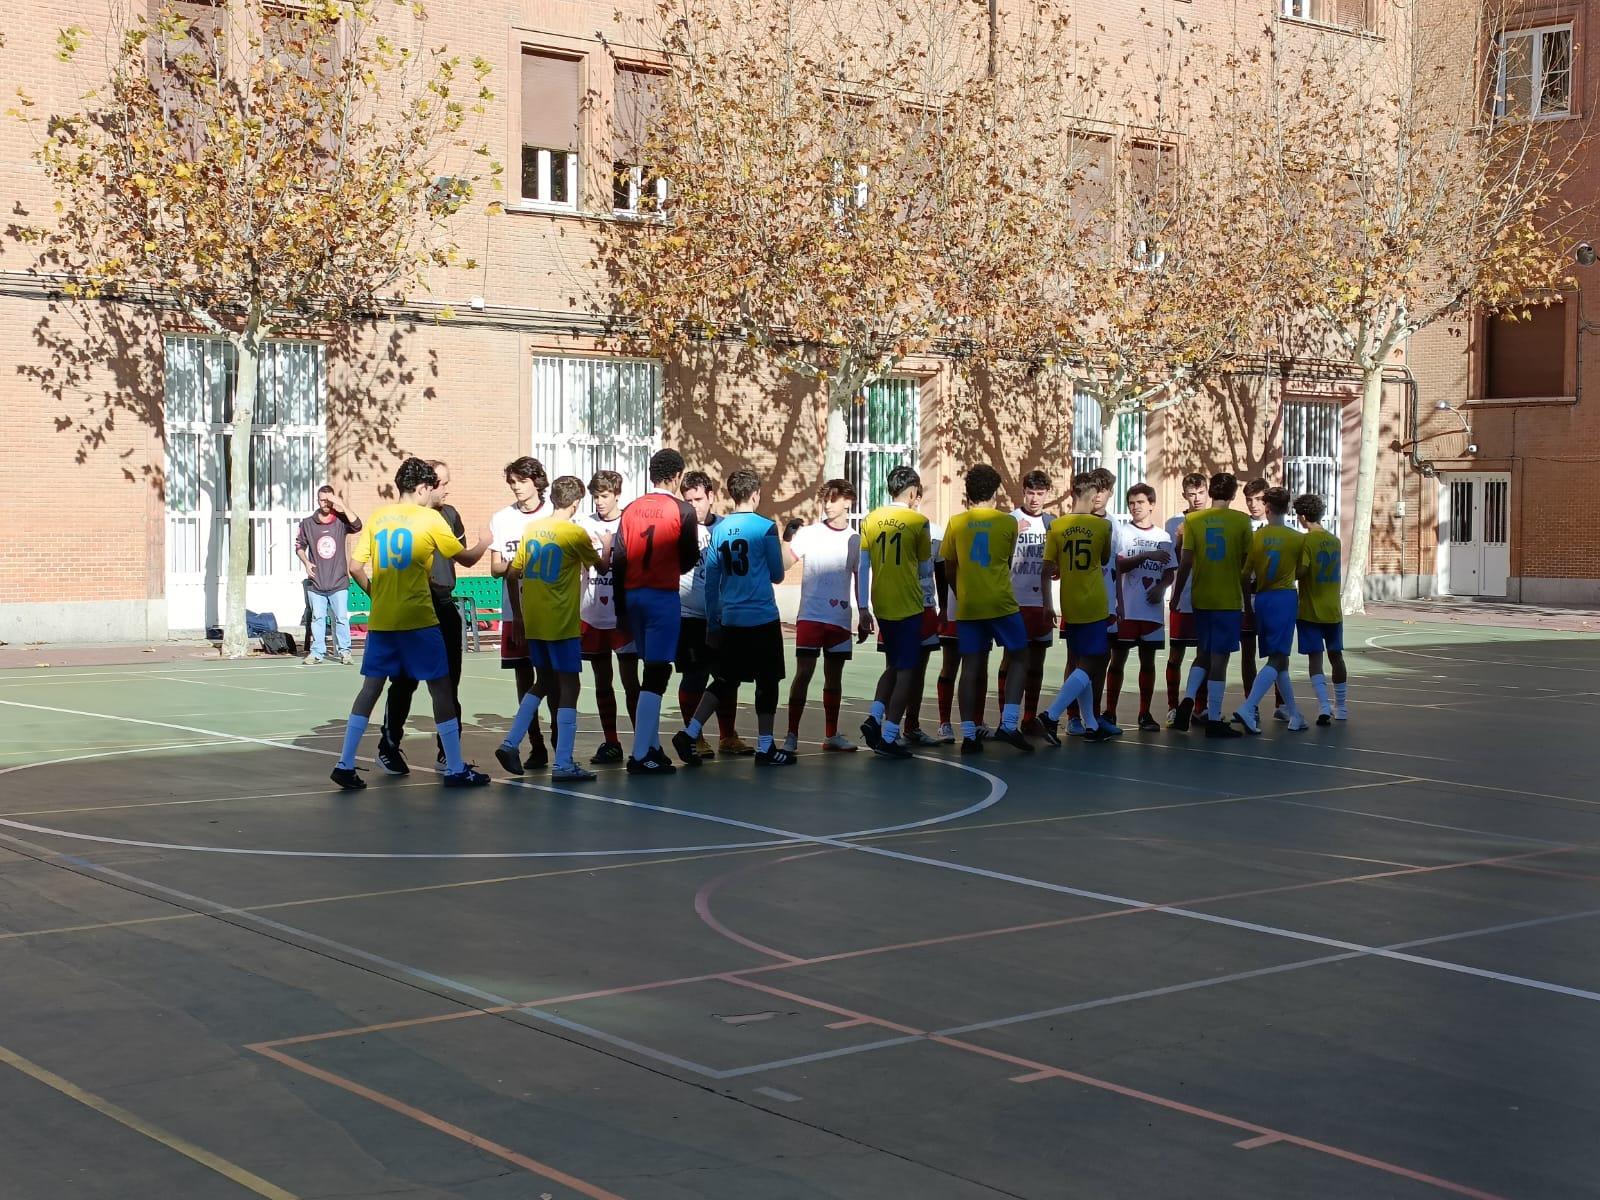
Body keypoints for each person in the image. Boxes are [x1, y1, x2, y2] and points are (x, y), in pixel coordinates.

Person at [331, 458, 490, 790]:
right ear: (421, 488)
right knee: (442, 688)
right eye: (430, 488)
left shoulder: (377, 518)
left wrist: (379, 595)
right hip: (419, 619)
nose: (432, 493)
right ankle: (455, 766)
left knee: (370, 690)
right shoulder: (429, 519)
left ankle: (345, 763)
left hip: (384, 620)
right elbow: (466, 558)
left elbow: (355, 567)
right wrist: (485, 541)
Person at [671, 468, 793, 766]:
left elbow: (712, 581)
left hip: (732, 618)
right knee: (768, 680)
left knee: (725, 678)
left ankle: (690, 732)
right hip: (761, 616)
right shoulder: (765, 527)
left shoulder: (720, 531)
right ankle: (766, 746)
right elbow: (777, 574)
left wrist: (714, 622)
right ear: (755, 494)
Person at [377, 460, 486, 774]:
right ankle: (389, 745)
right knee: (403, 682)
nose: (447, 489)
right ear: (426, 486)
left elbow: (460, 558)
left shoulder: (449, 515)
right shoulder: (402, 519)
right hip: (414, 609)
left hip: (442, 606)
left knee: (448, 684)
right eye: (443, 483)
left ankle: (448, 751)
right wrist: (486, 543)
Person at [494, 476, 606, 782]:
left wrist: (518, 614)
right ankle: (564, 762)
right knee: (570, 686)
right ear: (575, 502)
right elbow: (603, 567)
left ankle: (511, 742)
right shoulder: (574, 533)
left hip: (535, 619)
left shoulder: (531, 530)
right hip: (561, 621)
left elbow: (513, 572)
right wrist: (607, 545)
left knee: (542, 681)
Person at [615, 449, 702, 775]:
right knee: (657, 673)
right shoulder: (681, 510)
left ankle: (650, 745)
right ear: (678, 476)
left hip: (633, 594)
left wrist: (621, 607)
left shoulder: (631, 509)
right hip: (661, 596)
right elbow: (690, 557)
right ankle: (640, 754)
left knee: (647, 670)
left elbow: (619, 559)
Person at [944, 464, 1032, 754]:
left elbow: (949, 567)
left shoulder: (956, 523)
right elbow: (1005, 562)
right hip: (1001, 602)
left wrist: (961, 593)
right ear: (995, 492)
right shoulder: (1007, 522)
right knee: (1020, 656)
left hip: (969, 604)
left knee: (970, 666)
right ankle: (1008, 723)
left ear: (968, 493)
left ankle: (969, 733)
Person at [857, 465, 934, 759]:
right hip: (909, 602)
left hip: (882, 601)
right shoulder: (919, 522)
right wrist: (932, 603)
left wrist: (863, 606)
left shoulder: (871, 519)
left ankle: (874, 716)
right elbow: (925, 569)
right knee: (907, 671)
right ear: (913, 490)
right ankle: (889, 734)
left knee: (892, 664)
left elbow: (863, 566)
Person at [1169, 472, 1254, 737]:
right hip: (1227, 599)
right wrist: (1247, 602)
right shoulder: (1241, 521)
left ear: (1211, 492)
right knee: (1220, 660)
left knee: (1202, 653)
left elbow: (1185, 563)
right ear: (1232, 495)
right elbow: (1245, 566)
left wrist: (1175, 594)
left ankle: (1188, 698)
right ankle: (1215, 719)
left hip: (1200, 597)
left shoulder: (1193, 520)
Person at [783, 479, 864, 753]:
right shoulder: (809, 534)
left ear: (848, 501)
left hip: (839, 618)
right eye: (825, 499)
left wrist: (864, 612)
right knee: (803, 673)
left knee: (834, 677)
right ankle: (791, 734)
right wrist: (786, 539)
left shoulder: (855, 540)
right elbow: (783, 565)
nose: (828, 505)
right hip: (811, 615)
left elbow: (860, 578)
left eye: (834, 499)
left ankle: (831, 735)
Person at [677, 471, 750, 758]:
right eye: (688, 500)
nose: (694, 505)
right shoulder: (680, 529)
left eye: (698, 498)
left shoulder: (725, 528)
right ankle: (694, 736)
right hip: (689, 613)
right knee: (694, 677)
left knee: (728, 675)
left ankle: (727, 735)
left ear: (711, 496)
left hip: (723, 614)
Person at [1039, 471, 1114, 744]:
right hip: (1093, 600)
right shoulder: (1102, 526)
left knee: (1080, 659)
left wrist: (1048, 604)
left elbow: (1047, 569)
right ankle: (1051, 714)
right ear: (1094, 497)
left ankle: (1091, 724)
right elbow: (1104, 558)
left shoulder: (1056, 526)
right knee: (1093, 663)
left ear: (1072, 494)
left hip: (1069, 601)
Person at [489, 458, 552, 767]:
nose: (515, 486)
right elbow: (496, 568)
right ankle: (535, 744)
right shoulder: (502, 518)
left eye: (521, 480)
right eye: (512, 481)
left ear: (537, 481)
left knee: (553, 677)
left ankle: (558, 743)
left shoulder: (554, 514)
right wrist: (518, 565)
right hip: (515, 610)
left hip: (550, 608)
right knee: (524, 678)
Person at [1235, 486, 1309, 733]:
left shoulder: (1257, 538)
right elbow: (1302, 571)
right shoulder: (1298, 538)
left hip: (1263, 598)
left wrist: (1247, 604)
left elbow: (1245, 575)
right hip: (1284, 598)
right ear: (1287, 508)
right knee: (1277, 658)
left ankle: (1294, 713)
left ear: (1266, 508)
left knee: (1281, 661)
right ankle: (1249, 706)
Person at [578, 470, 639, 765]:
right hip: (592, 612)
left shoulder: (630, 521)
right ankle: (611, 742)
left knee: (630, 681)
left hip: (622, 613)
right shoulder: (583, 524)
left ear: (617, 494)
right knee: (602, 681)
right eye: (596, 497)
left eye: (604, 496)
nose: (599, 502)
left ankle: (643, 742)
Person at [1106, 483, 1174, 733]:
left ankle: (1144, 713)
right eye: (1131, 503)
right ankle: (1110, 711)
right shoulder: (1122, 533)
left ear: (1152, 504)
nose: (1135, 507)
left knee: (1148, 662)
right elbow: (1118, 566)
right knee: (1117, 660)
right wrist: (1145, 556)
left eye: (1140, 502)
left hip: (1152, 612)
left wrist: (1162, 588)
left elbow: (1169, 572)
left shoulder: (1163, 537)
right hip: (1127, 609)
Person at [1000, 469, 1055, 734]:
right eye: (1031, 493)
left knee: (1037, 662)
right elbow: (999, 562)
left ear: (1047, 495)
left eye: (1040, 494)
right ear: (1024, 492)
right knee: (1011, 659)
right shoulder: (1010, 520)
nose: (1034, 499)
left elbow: (1057, 561)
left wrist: (1058, 570)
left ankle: (1029, 717)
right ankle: (1005, 717)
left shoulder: (1051, 523)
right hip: (1014, 601)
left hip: (1041, 601)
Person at [1293, 493, 1349, 725]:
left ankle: (1324, 705)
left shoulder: (1306, 541)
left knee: (1315, 659)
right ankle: (1342, 706)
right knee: (1336, 656)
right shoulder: (1334, 541)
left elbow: (1302, 571)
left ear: (1303, 516)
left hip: (1310, 609)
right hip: (1333, 609)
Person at [296, 486, 362, 665]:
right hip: (317, 582)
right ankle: (317, 652)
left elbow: (358, 525)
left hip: (338, 581)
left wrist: (341, 504)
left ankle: (345, 652)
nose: (325, 503)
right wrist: (306, 563)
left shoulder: (341, 521)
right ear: (317, 500)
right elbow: (299, 546)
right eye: (321, 500)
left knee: (341, 618)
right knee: (318, 618)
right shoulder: (308, 524)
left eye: (328, 500)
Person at [1164, 471, 1207, 725]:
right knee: (1176, 654)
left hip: (1207, 597)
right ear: (1184, 495)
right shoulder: (1173, 524)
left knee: (1205, 654)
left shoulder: (1212, 521)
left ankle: (1199, 707)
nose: (1197, 498)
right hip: (1182, 599)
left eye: (1201, 493)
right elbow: (1174, 563)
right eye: (1192, 494)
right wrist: (1179, 541)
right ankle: (1172, 706)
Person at [1239, 477, 1271, 697]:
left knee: (1276, 654)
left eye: (1259, 499)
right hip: (1246, 594)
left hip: (1270, 596)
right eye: (1249, 500)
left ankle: (1281, 704)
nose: (1254, 504)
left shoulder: (1279, 526)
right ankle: (1250, 703)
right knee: (1247, 653)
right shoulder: (1241, 527)